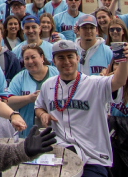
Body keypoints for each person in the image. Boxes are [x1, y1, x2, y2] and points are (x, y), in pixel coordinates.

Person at [35, 39, 128, 175]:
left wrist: (124, 61)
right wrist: (42, 114)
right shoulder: (47, 85)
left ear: (77, 58)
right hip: (61, 154)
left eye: (70, 57)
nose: (66, 61)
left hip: (92, 157)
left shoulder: (94, 83)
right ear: (54, 61)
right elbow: (39, 106)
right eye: (61, 57)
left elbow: (119, 81)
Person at [7, 45, 58, 137]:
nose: (30, 61)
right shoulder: (19, 78)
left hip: (56, 130)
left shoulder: (56, 73)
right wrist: (29, 98)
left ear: (42, 57)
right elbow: (9, 102)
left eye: (33, 57)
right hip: (27, 132)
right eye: (26, 58)